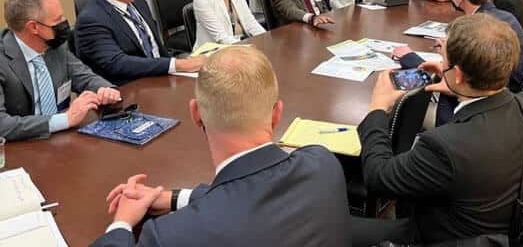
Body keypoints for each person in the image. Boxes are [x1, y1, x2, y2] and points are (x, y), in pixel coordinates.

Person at [90, 46, 351, 247]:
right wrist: (172, 198)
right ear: (277, 114)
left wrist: (122, 223)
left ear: (195, 114)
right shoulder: (323, 163)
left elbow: (240, 198)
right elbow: (254, 194)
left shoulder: (172, 236)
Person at [352, 14, 523, 246]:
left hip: (441, 237)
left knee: (335, 227)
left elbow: (378, 176)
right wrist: (458, 86)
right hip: (510, 231)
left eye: (444, 61)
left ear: (458, 74)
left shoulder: (445, 145)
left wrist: (377, 109)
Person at [395, 0, 523, 124]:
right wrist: (451, 50)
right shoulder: (503, 18)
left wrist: (410, 58)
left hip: (479, 114)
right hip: (504, 103)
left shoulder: (480, 32)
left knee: (401, 110)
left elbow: (465, 85)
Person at [0, 0, 121, 142]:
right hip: (20, 146)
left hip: (63, 140)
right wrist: (65, 119)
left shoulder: (56, 46)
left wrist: (105, 90)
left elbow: (84, 76)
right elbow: (2, 125)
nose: (65, 25)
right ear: (33, 27)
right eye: (58, 21)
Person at [75, 0, 205, 86]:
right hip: (131, 90)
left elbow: (156, 47)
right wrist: (178, 65)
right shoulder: (91, 20)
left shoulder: (139, 2)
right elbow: (118, 63)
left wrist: (181, 67)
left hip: (163, 79)